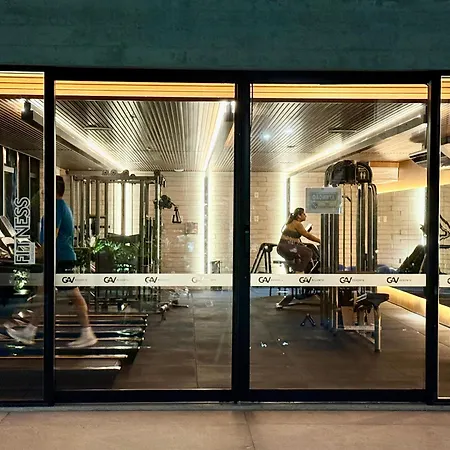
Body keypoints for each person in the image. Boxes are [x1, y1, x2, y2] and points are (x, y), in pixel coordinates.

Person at [6, 176, 98, 348]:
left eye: (44, 188)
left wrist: (40, 253)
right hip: (58, 257)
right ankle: (30, 331)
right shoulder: (59, 206)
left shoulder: (56, 207)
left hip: (60, 258)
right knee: (43, 294)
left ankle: (87, 333)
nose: (42, 192)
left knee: (73, 295)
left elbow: (51, 235)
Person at [277, 207, 321, 274]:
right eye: (304, 214)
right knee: (308, 252)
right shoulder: (297, 223)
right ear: (299, 216)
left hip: (284, 247)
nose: (305, 216)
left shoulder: (293, 223)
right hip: (286, 247)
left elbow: (294, 238)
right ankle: (299, 272)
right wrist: (320, 241)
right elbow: (307, 235)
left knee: (304, 251)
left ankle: (297, 270)